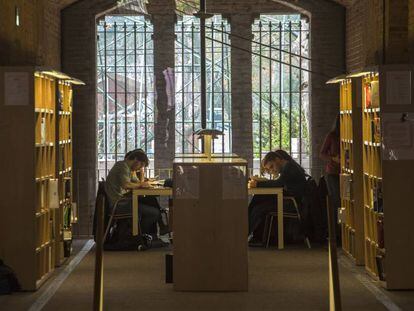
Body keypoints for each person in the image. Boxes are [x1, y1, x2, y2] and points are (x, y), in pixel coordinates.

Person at [248, 150, 307, 245]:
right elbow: (280, 183)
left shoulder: (289, 167)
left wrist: (258, 184)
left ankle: (248, 234)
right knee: (257, 199)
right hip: (289, 200)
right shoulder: (288, 166)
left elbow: (279, 183)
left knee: (258, 208)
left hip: (292, 203)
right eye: (270, 169)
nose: (272, 171)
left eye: (272, 166)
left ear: (277, 159)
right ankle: (250, 234)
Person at [105, 149, 160, 235]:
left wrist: (142, 181)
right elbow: (126, 185)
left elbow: (137, 182)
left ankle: (143, 236)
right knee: (154, 212)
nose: (140, 168)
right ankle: (138, 236)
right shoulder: (122, 166)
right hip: (119, 204)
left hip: (123, 202)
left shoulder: (128, 169)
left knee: (150, 201)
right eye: (141, 164)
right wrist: (142, 185)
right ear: (135, 159)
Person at [320, 114, 341, 243]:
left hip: (346, 173)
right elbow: (321, 153)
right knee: (337, 202)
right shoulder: (332, 136)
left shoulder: (350, 134)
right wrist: (333, 159)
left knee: (344, 202)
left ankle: (342, 232)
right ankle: (337, 234)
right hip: (333, 173)